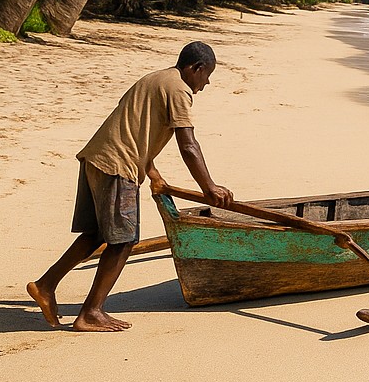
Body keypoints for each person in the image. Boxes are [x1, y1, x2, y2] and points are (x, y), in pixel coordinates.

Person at [27, 42, 233, 332]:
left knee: (97, 234)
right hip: (117, 166)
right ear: (196, 68)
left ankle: (45, 285)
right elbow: (188, 144)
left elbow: (136, 128)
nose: (206, 83)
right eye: (207, 75)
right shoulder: (179, 89)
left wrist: (153, 173)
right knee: (123, 241)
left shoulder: (156, 79)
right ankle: (91, 313)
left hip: (97, 159)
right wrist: (209, 187)